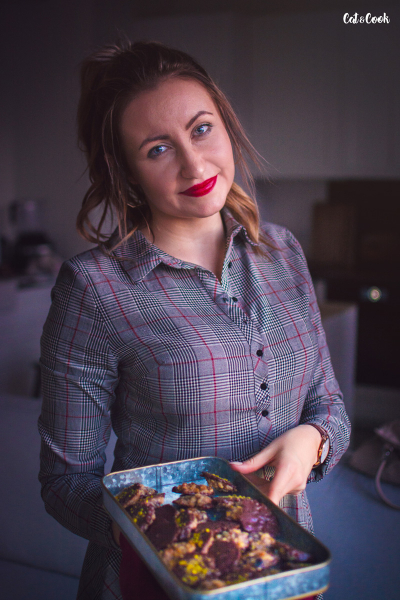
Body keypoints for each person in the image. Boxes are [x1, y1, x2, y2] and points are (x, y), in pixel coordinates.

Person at [38, 37, 351, 600]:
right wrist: (164, 534)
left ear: (226, 126)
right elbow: (66, 482)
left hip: (285, 575)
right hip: (157, 584)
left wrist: (312, 439)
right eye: (158, 149)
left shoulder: (283, 252)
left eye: (201, 129)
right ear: (126, 171)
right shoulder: (95, 288)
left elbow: (329, 406)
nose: (194, 163)